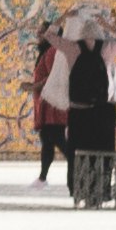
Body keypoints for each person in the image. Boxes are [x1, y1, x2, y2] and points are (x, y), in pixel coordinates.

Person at [63, 28, 116, 205]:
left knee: (78, 153)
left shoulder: (72, 48)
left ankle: (78, 192)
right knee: (102, 153)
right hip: (103, 111)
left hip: (78, 111)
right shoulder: (108, 48)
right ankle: (99, 193)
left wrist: (63, 19)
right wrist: (109, 25)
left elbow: (50, 37)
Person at [31, 27, 71, 184]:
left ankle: (76, 165)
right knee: (48, 140)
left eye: (42, 32)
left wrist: (33, 86)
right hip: (48, 105)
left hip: (53, 107)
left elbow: (54, 77)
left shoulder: (53, 52)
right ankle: (42, 178)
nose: (38, 35)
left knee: (56, 138)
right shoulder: (49, 51)